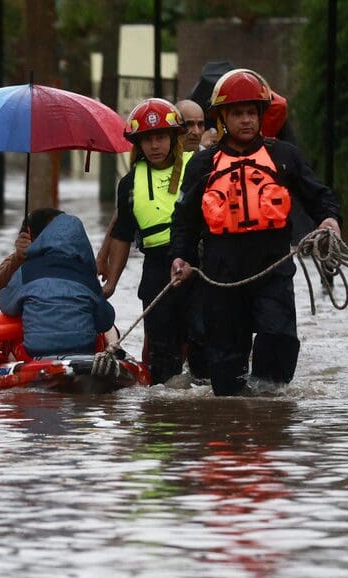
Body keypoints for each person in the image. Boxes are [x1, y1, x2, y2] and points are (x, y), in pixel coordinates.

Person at [169, 68, 341, 397]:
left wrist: (329, 220)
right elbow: (184, 222)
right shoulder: (203, 165)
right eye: (237, 113)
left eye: (251, 112)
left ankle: (268, 414)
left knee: (278, 338)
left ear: (261, 115)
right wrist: (180, 257)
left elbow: (319, 196)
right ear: (222, 117)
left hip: (272, 268)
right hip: (221, 275)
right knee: (226, 367)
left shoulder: (283, 156)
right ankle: (233, 424)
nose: (246, 120)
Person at [100, 98, 206, 385]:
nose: (154, 145)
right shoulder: (129, 183)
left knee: (204, 341)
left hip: (199, 265)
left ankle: (206, 414)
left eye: (160, 137)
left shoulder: (199, 165)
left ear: (174, 137)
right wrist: (111, 281)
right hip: (157, 269)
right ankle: (163, 419)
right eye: (147, 140)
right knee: (162, 353)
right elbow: (122, 235)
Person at [0, 208, 116, 357]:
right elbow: (105, 319)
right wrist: (18, 259)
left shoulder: (27, 271)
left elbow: (5, 304)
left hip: (36, 348)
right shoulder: (84, 271)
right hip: (83, 348)